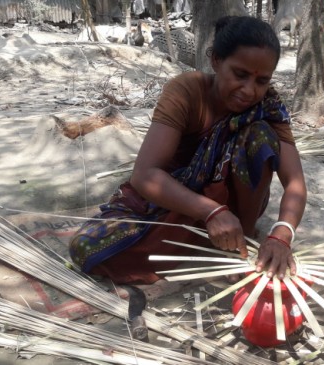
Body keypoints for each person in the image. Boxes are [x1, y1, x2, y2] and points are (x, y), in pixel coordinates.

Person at [69, 15, 306, 285]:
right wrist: (211, 212)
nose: (249, 90)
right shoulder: (186, 91)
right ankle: (212, 230)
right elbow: (145, 175)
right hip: (180, 199)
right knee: (87, 249)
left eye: (262, 81)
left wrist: (281, 234)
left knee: (259, 135)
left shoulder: (269, 108)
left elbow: (295, 182)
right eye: (239, 75)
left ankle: (243, 239)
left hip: (237, 207)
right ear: (216, 60)